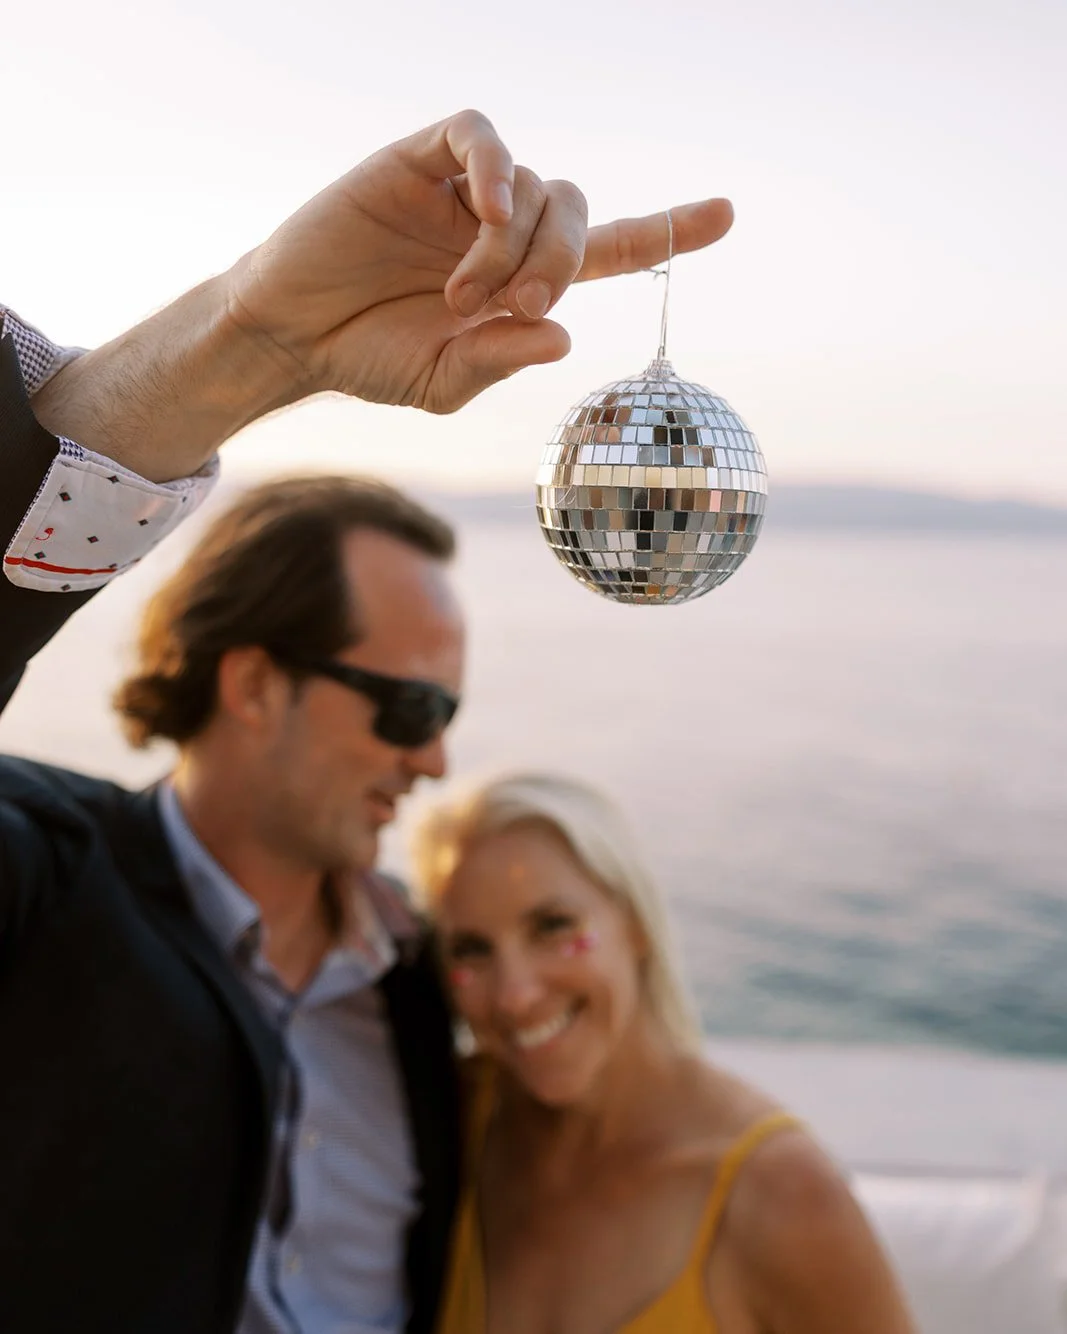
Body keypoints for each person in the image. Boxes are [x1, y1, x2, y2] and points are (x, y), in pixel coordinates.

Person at [0, 110, 734, 1334]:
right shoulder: (38, 881)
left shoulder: (422, 981)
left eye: (443, 711)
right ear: (252, 683)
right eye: (406, 705)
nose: (435, 756)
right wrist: (251, 338)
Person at [412, 773, 917, 1334]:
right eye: (472, 950)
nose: (516, 995)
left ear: (635, 924)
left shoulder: (785, 1197)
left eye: (553, 926)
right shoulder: (454, 1122)